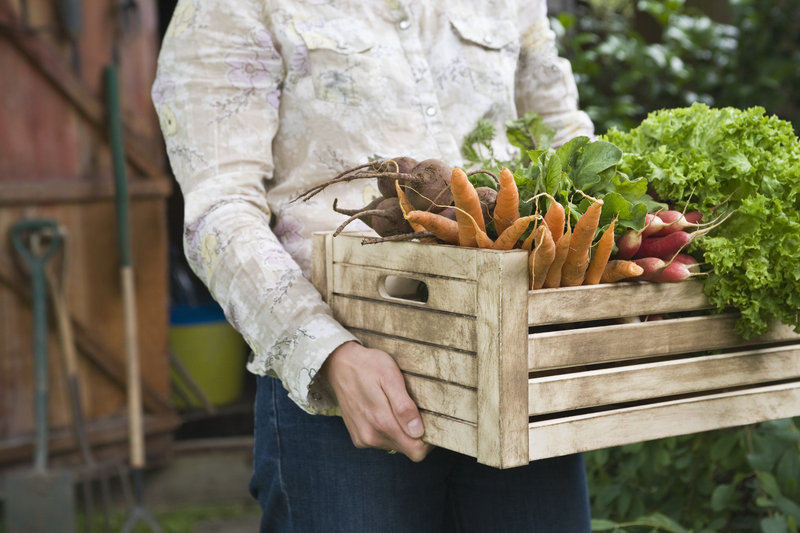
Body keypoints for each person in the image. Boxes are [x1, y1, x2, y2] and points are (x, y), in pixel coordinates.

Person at [154, 1, 595, 531]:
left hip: (518, 361)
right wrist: (328, 353)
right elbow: (219, 211)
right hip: (346, 385)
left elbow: (563, 137)